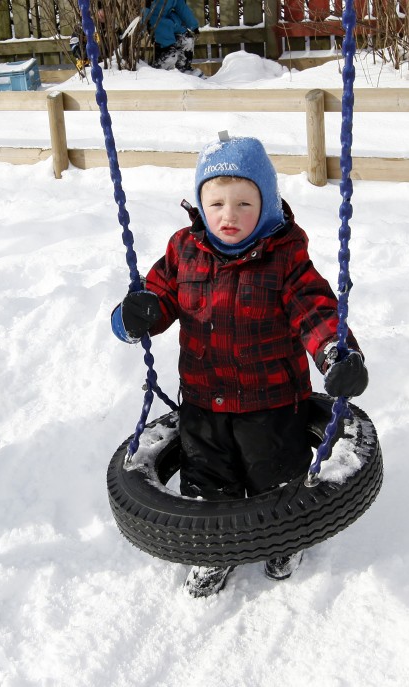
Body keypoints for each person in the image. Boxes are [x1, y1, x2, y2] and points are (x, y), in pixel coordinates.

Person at [110, 133, 369, 597]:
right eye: (217, 203)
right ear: (200, 205)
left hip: (271, 402)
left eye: (244, 203)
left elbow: (316, 311)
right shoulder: (182, 251)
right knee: (208, 480)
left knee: (275, 475)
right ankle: (215, 552)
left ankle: (285, 538)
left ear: (267, 203)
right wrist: (135, 315)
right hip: (203, 403)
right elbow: (158, 297)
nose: (229, 216)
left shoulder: (285, 257)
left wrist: (337, 353)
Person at [142, 0, 202, 76]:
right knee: (169, 52)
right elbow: (141, 11)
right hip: (156, 22)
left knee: (187, 40)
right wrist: (142, 27)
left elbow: (182, 8)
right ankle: (160, 73)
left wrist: (193, 26)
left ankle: (184, 69)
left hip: (171, 20)